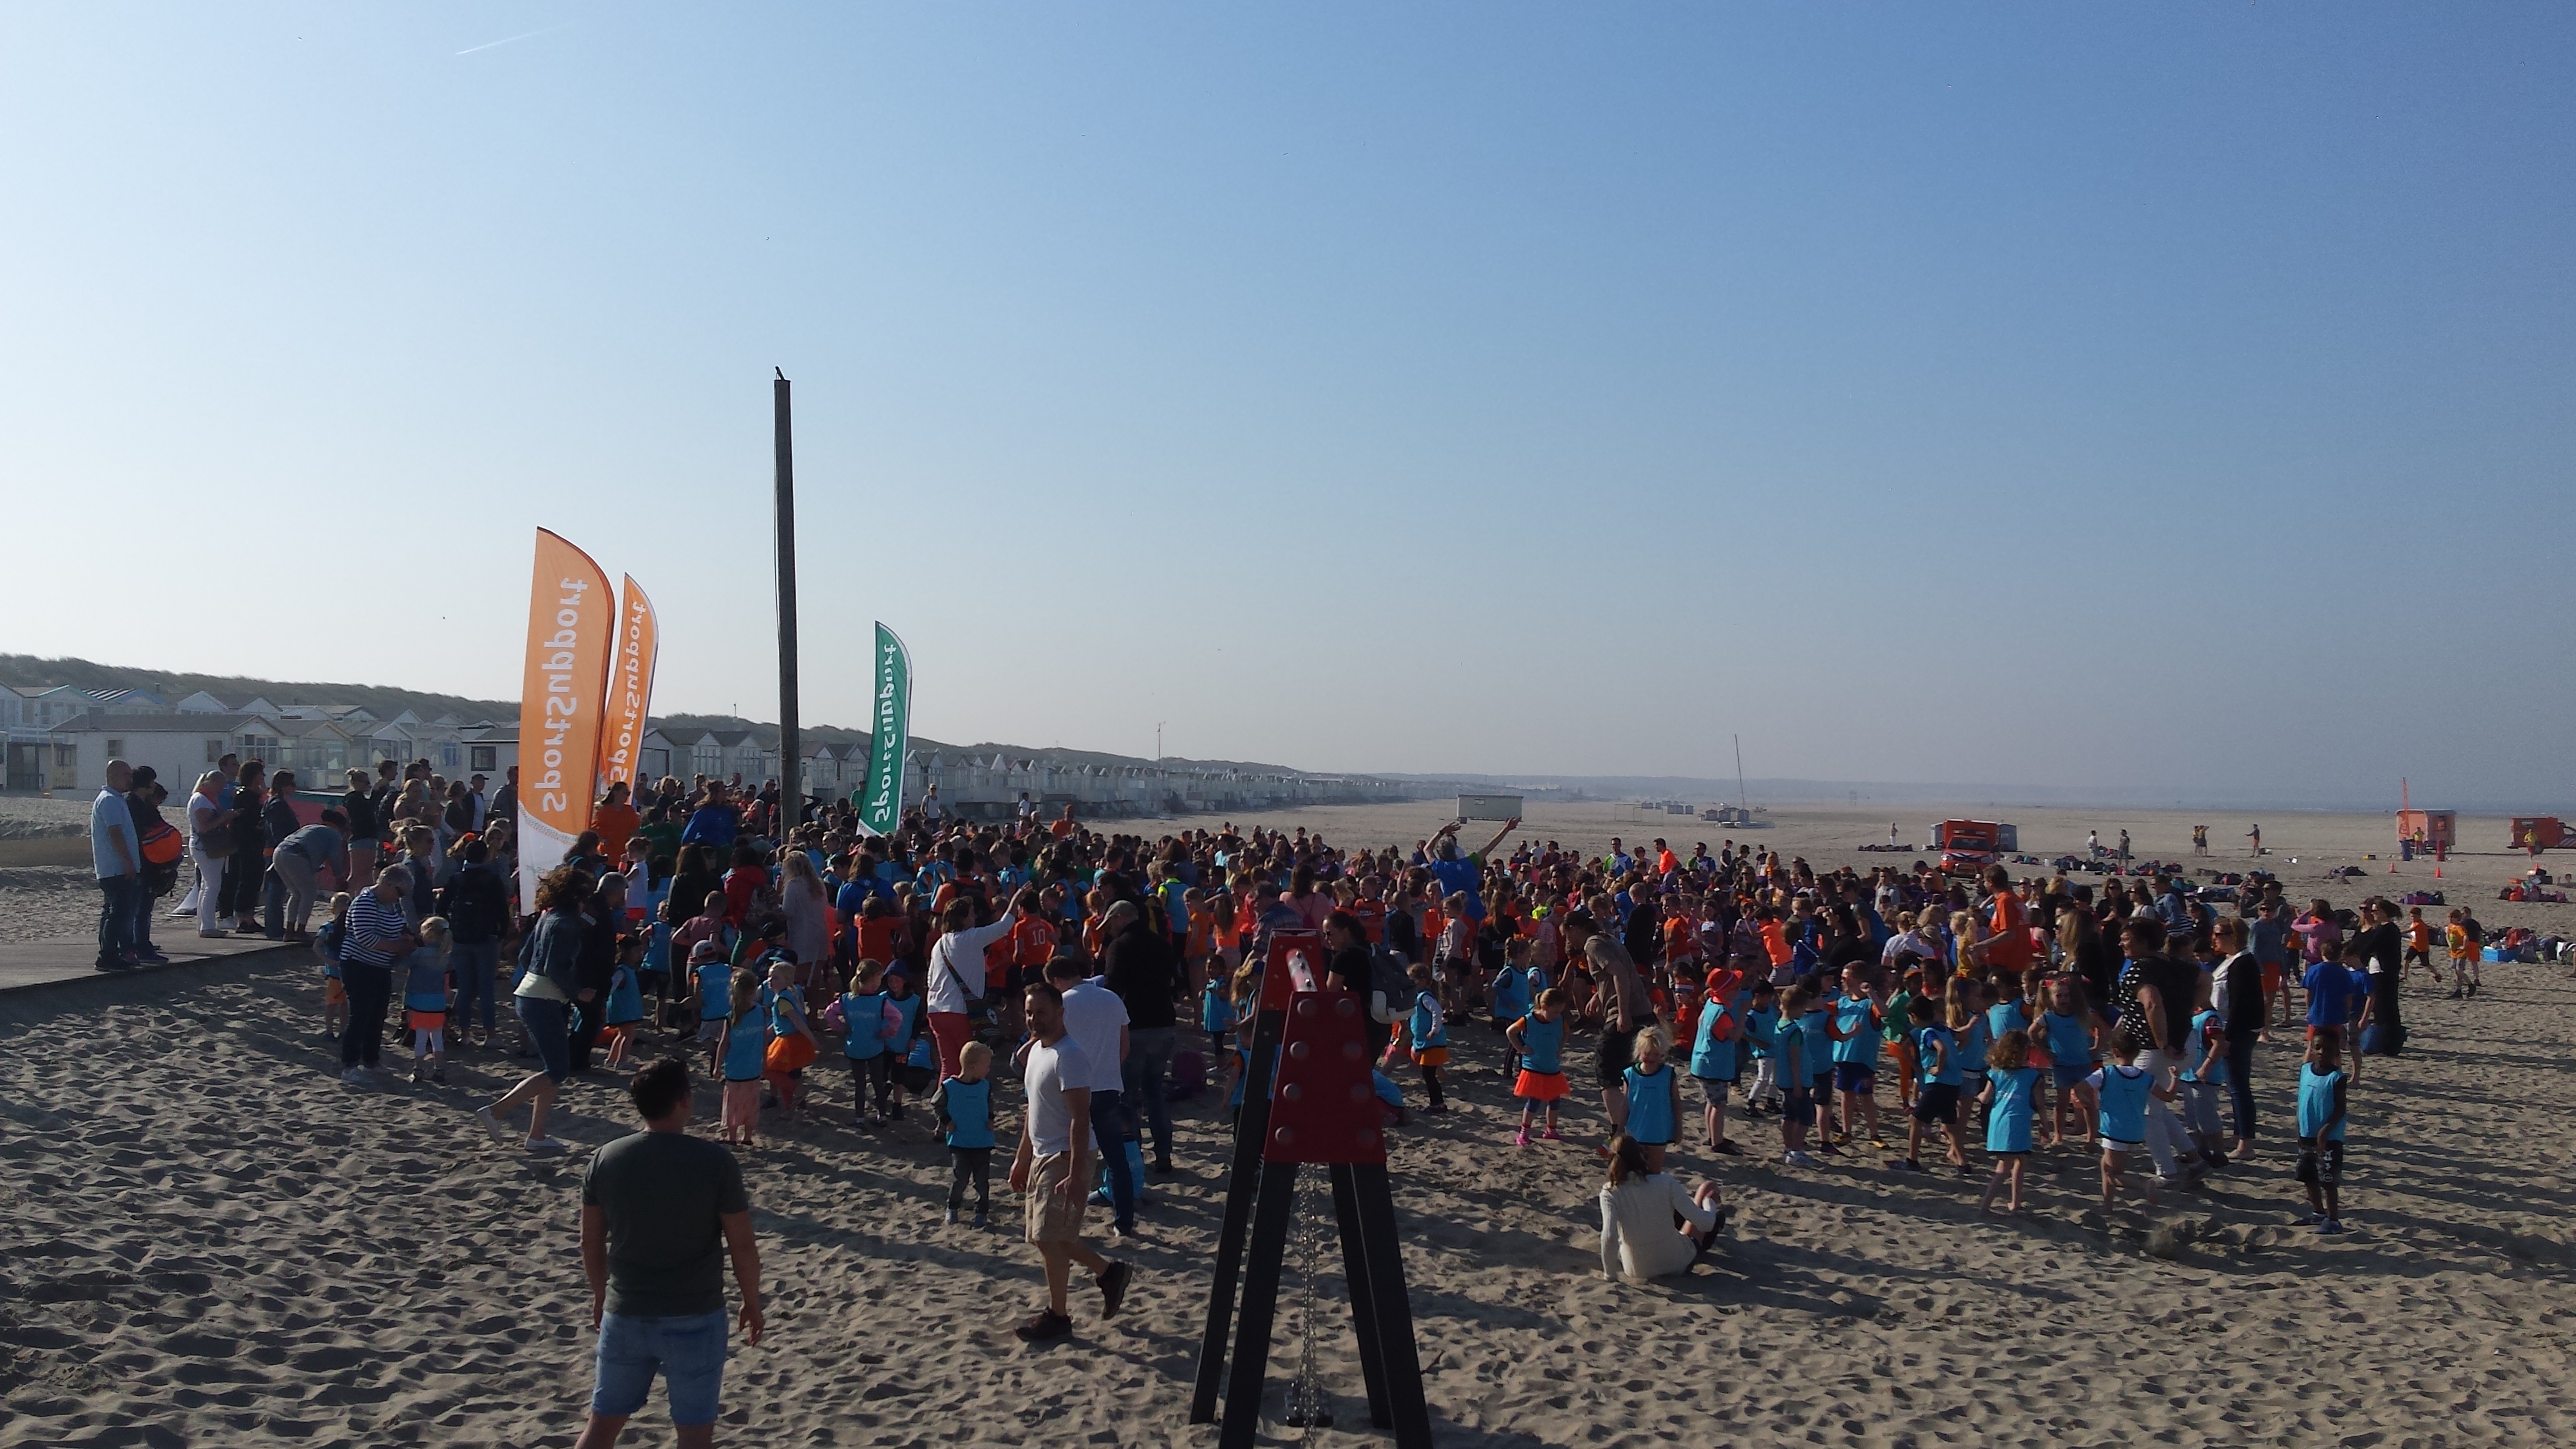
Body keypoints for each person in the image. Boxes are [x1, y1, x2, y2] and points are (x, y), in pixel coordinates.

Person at [572, 1057, 762, 1449]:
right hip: (695, 1313)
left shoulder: (607, 1158)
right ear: (684, 1100)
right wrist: (751, 1301)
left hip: (627, 1311)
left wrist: (600, 1295)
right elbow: (741, 1244)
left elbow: (590, 1241)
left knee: (601, 1428)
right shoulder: (715, 1162)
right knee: (693, 1436)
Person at [1009, 979, 1132, 1344]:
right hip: (1042, 1153)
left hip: (1065, 1154)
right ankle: (1108, 1273)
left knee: (1049, 1236)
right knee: (1044, 1238)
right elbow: (1033, 1110)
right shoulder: (1036, 1051)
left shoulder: (1071, 1055)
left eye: (1042, 1012)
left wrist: (1078, 1174)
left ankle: (1059, 1315)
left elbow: (1081, 1117)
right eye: (1030, 1012)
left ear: (1061, 1012)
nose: (1035, 1019)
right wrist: (1021, 1158)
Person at [477, 867, 592, 1152]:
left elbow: (526, 956)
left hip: (530, 993)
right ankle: (496, 1111)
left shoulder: (547, 917)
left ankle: (536, 1135)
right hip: (543, 999)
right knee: (557, 1070)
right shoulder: (567, 924)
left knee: (553, 1069)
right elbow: (555, 968)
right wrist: (578, 992)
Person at [1045, 955, 1137, 1236]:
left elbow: (1051, 1047)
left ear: (1057, 981)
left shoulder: (1063, 1004)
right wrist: (1106, 1068)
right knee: (1116, 1158)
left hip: (1074, 1087)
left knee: (1066, 1156)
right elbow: (1124, 1048)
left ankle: (1062, 1220)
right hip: (1107, 1086)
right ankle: (1123, 1222)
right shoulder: (1112, 999)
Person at [1100, 898, 1180, 1175]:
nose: (1110, 929)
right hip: (1163, 1023)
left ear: (1121, 918)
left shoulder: (1120, 946)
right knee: (1155, 1090)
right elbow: (1174, 981)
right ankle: (1164, 1154)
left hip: (1133, 1025)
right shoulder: (1161, 944)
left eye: (1111, 923)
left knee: (1128, 1094)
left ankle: (1133, 1153)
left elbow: (1112, 989)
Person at [1595, 1131, 1725, 1284]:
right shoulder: (1665, 1182)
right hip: (1677, 1264)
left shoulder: (1609, 1192)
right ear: (1640, 1155)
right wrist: (1710, 1203)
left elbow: (1609, 1236)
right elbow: (1706, 1223)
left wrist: (1610, 1276)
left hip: (1637, 1269)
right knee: (1708, 1188)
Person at [339, 866, 417, 1082]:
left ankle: (371, 1060)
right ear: (388, 884)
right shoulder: (365, 902)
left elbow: (399, 926)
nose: (400, 897)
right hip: (358, 965)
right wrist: (397, 947)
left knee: (377, 1015)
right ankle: (349, 1066)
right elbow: (366, 937)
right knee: (360, 1015)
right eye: (399, 892)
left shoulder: (392, 904)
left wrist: (408, 937)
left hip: (381, 966)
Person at [924, 900, 1013, 1079]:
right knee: (972, 1065)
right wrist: (1016, 899)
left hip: (936, 1011)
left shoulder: (939, 944)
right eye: (971, 914)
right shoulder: (971, 937)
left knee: (949, 1066)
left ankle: (945, 1097)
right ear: (963, 919)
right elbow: (1004, 927)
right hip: (961, 1012)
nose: (975, 917)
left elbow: (930, 979)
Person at [1977, 1027, 2042, 1214]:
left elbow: (1985, 1098)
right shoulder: (2032, 1075)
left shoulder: (1996, 1073)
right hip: (2017, 1122)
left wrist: (1978, 1094)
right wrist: (2044, 1125)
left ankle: (2015, 1202)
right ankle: (1985, 1206)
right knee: (2006, 1166)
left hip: (1999, 1121)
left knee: (2021, 1160)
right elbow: (2040, 1104)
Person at [933, 1040, 998, 1226]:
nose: (988, 1070)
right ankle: (953, 1207)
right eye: (986, 1066)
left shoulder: (985, 1086)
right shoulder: (949, 1086)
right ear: (972, 1066)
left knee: (982, 1181)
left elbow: (989, 1104)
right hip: (960, 1140)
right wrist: (946, 1122)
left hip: (982, 1140)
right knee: (960, 1179)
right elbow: (937, 1104)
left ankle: (981, 1212)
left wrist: (991, 1118)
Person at [2295, 1032, 2350, 1233]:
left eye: (2327, 1049)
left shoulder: (2337, 1078)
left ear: (2336, 1052)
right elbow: (2302, 1099)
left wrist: (2326, 1130)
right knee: (2308, 1176)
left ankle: (2333, 1220)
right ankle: (2318, 1212)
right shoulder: (2306, 1070)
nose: (2321, 1052)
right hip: (2306, 1134)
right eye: (2317, 1047)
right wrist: (2299, 1126)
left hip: (2329, 1139)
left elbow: (2340, 1108)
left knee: (2328, 1180)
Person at [92, 758, 142, 971]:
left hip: (115, 868)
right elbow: (115, 833)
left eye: (130, 775)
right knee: (118, 913)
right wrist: (128, 862)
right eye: (125, 775)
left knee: (113, 911)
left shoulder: (116, 799)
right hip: (115, 869)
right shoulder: (109, 800)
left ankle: (110, 953)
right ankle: (108, 956)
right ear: (111, 776)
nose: (129, 780)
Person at [266, 809, 347, 943]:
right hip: (297, 856)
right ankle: (300, 931)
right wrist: (339, 877)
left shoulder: (311, 827)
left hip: (279, 852)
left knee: (296, 893)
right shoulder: (335, 834)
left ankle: (289, 932)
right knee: (309, 894)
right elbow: (335, 858)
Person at [1506, 988, 1572, 1144]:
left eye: (1560, 1012)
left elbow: (1566, 1032)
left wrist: (1560, 1048)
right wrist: (1521, 1048)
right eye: (1555, 1012)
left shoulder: (1559, 1020)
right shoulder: (1528, 1020)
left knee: (1555, 1101)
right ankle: (1524, 1133)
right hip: (1534, 1067)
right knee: (1534, 1101)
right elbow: (1510, 1032)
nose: (1557, 1015)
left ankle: (1551, 1131)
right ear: (1544, 1007)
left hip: (1552, 1067)